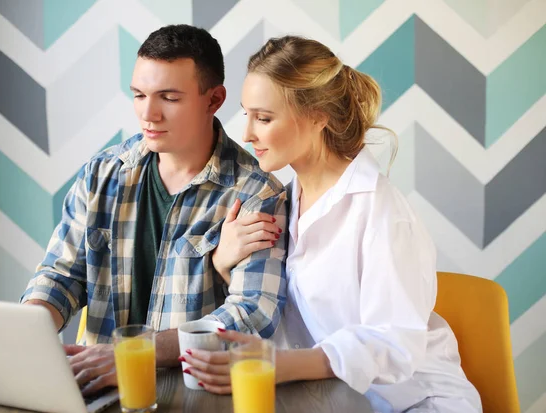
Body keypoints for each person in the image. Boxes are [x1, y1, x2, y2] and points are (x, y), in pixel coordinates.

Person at [181, 35, 482, 413]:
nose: (247, 134)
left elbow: (395, 343)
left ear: (318, 116)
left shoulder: (381, 211)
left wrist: (279, 365)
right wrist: (225, 264)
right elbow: (282, 314)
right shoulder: (279, 203)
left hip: (416, 402)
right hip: (330, 400)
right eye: (248, 114)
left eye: (265, 117)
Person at [20, 25, 288, 396]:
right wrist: (27, 331)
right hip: (95, 386)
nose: (149, 114)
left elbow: (251, 315)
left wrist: (134, 354)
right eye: (139, 95)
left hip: (190, 394)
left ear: (214, 100)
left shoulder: (257, 194)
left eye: (169, 97)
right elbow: (62, 274)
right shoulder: (102, 174)